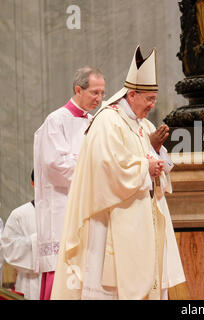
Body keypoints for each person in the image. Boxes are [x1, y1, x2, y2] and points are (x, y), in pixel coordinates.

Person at [51, 46, 185, 300]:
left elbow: (152, 163)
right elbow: (107, 168)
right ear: (132, 94)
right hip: (111, 222)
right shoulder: (107, 121)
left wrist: (156, 153)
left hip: (142, 220)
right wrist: (146, 165)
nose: (152, 105)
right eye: (149, 99)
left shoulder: (143, 124)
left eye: (154, 99)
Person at [33, 66, 105, 299]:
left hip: (90, 207)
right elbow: (56, 165)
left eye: (102, 93)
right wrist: (90, 166)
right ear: (78, 89)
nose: (99, 98)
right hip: (61, 207)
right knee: (64, 272)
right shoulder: (56, 121)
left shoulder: (96, 122)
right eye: (95, 92)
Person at [1, 170, 41, 300]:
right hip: (31, 282)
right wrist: (38, 241)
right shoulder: (19, 214)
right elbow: (8, 249)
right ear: (33, 183)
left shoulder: (65, 213)